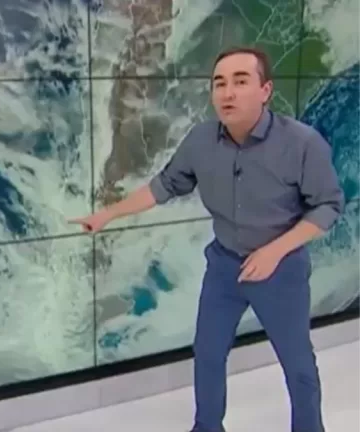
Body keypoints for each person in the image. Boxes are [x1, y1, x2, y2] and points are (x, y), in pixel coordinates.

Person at [70, 47, 343, 432]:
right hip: (224, 268)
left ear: (265, 90)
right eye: (219, 83)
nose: (227, 92)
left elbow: (328, 207)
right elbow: (164, 186)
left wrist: (275, 250)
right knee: (209, 355)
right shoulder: (201, 141)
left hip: (281, 269)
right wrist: (107, 214)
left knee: (298, 367)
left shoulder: (302, 143)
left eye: (240, 81)